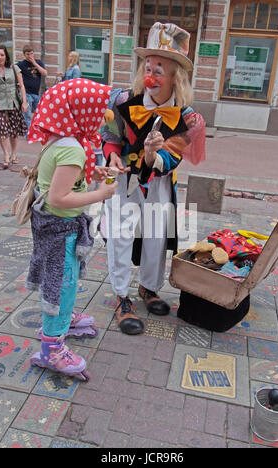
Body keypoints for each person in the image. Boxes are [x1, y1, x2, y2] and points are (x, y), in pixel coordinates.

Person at [102, 22, 205, 335]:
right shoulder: (122, 101)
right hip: (123, 182)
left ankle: (148, 288)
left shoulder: (188, 119)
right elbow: (110, 135)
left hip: (159, 185)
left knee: (155, 238)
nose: (152, 74)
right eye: (149, 66)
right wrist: (112, 155)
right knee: (120, 235)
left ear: (176, 75)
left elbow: (170, 159)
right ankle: (121, 296)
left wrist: (150, 156)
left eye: (160, 67)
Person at [26, 78, 117, 380]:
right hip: (59, 228)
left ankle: (64, 320)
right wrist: (100, 194)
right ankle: (52, 347)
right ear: (83, 113)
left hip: (57, 227)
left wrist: (95, 173)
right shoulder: (73, 150)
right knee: (60, 285)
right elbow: (59, 197)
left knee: (67, 277)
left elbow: (64, 179)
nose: (104, 118)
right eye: (99, 111)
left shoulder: (65, 140)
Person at [0, 44, 28, 168]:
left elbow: (22, 86)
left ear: (6, 56)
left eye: (2, 55)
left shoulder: (14, 68)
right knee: (1, 129)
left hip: (13, 102)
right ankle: (6, 154)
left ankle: (14, 154)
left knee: (14, 131)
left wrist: (24, 102)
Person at [16, 45, 47, 131]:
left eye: (31, 53)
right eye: (28, 54)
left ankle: (38, 132)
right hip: (27, 93)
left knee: (40, 114)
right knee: (27, 115)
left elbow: (45, 73)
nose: (30, 56)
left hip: (37, 93)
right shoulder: (21, 64)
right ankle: (28, 134)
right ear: (24, 55)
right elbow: (12, 68)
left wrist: (35, 64)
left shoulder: (38, 62)